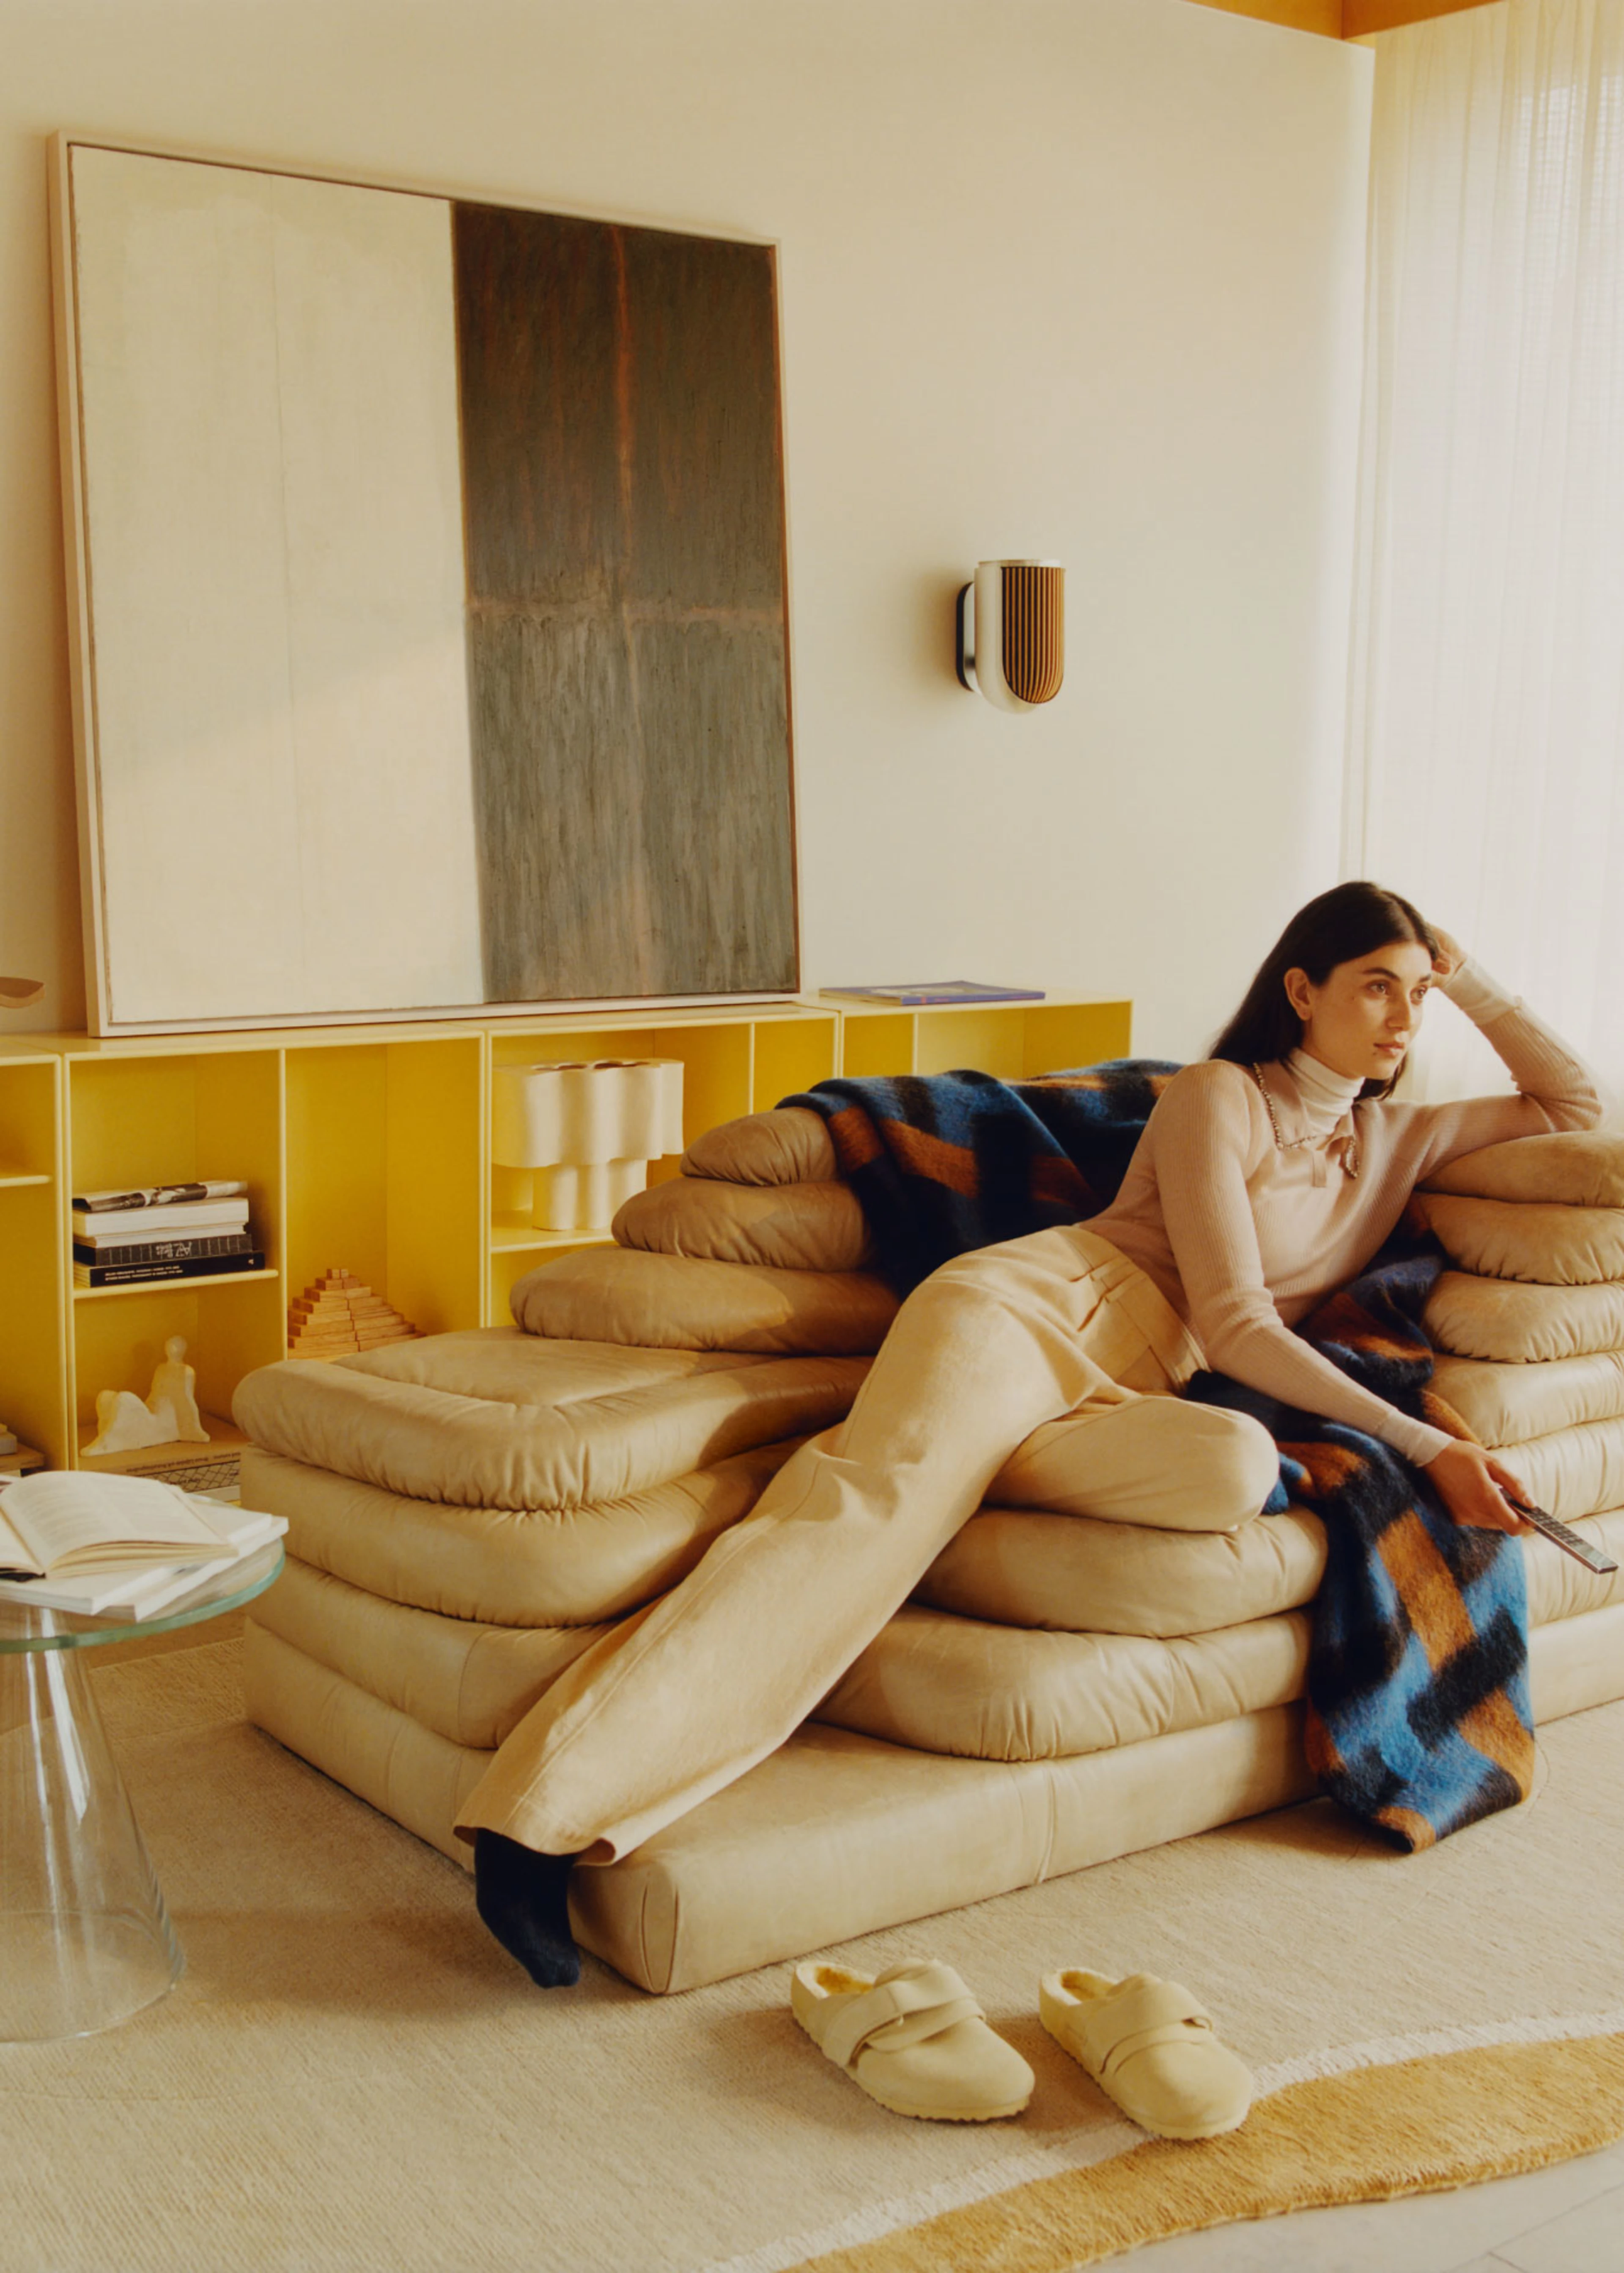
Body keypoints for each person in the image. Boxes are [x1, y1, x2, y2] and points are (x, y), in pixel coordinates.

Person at [459, 882, 1603, 1986]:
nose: (1404, 1017)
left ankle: (945, 1488)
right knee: (866, 1512)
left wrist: (1471, 976)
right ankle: (534, 1828)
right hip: (1030, 1313)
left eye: (1417, 992)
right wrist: (1421, 1444)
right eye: (1375, 987)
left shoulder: (1398, 1140)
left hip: (1141, 1387)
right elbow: (1237, 1319)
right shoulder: (1220, 1095)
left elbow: (1575, 1107)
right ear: (1300, 991)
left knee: (1239, 1465)